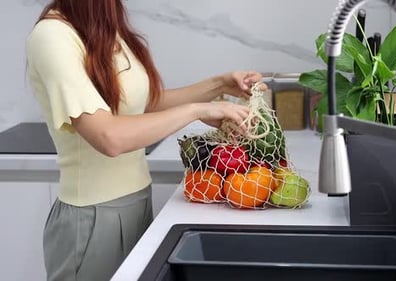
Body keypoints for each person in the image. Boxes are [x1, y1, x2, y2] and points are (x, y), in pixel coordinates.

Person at [26, 1, 266, 280]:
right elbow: (109, 137)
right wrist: (198, 111)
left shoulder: (103, 27)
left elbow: (143, 104)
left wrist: (219, 85)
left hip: (137, 203)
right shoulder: (53, 35)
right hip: (92, 219)